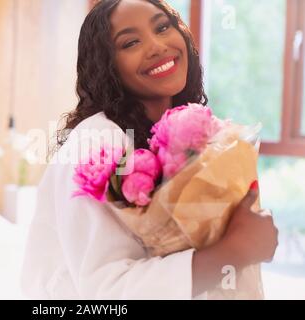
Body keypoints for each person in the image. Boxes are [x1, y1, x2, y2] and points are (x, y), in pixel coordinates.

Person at [20, 0, 278, 299]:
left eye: (162, 27)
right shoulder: (96, 143)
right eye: (130, 42)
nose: (157, 46)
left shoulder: (188, 134)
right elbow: (107, 291)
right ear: (106, 64)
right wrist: (232, 251)